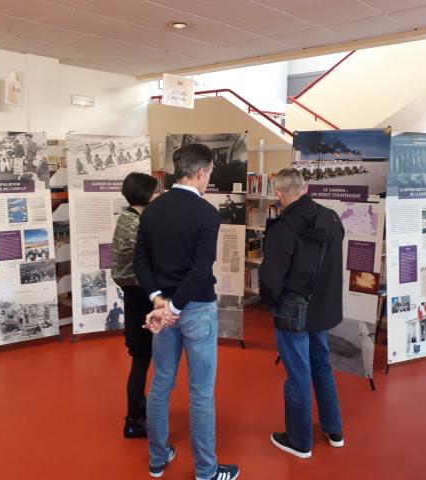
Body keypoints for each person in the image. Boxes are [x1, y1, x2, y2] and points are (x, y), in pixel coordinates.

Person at [135, 144, 239, 480]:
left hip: (164, 309)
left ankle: (157, 459)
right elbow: (199, 270)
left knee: (161, 384)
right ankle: (206, 472)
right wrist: (174, 308)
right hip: (194, 310)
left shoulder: (152, 210)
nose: (209, 179)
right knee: (201, 391)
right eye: (209, 172)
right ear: (199, 172)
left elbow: (141, 261)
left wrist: (158, 302)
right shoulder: (207, 213)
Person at [259, 168, 345, 459]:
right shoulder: (332, 219)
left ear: (280, 193)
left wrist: (270, 302)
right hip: (323, 309)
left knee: (297, 375)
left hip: (292, 311)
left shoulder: (282, 228)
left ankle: (299, 441)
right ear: (305, 187)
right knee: (321, 366)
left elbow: (270, 279)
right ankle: (334, 430)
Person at [111, 172, 160, 439]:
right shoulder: (136, 224)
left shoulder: (130, 218)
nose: (158, 195)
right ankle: (134, 419)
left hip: (135, 295)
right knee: (141, 360)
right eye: (154, 191)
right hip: (140, 297)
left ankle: (138, 407)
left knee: (141, 359)